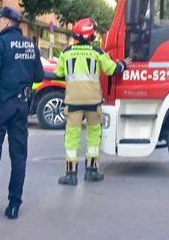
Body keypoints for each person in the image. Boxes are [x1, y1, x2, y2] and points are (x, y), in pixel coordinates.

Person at [0, 7, 45, 223]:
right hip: (21, 106)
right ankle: (14, 205)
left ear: (5, 22)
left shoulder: (0, 44)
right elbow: (39, 76)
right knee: (19, 156)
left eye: (0, 20)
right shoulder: (31, 46)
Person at [52, 18, 128, 185]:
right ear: (91, 35)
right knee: (94, 136)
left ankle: (70, 175)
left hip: (73, 102)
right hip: (93, 102)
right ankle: (91, 171)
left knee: (72, 137)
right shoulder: (97, 52)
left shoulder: (66, 52)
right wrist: (124, 64)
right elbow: (113, 70)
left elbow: (58, 73)